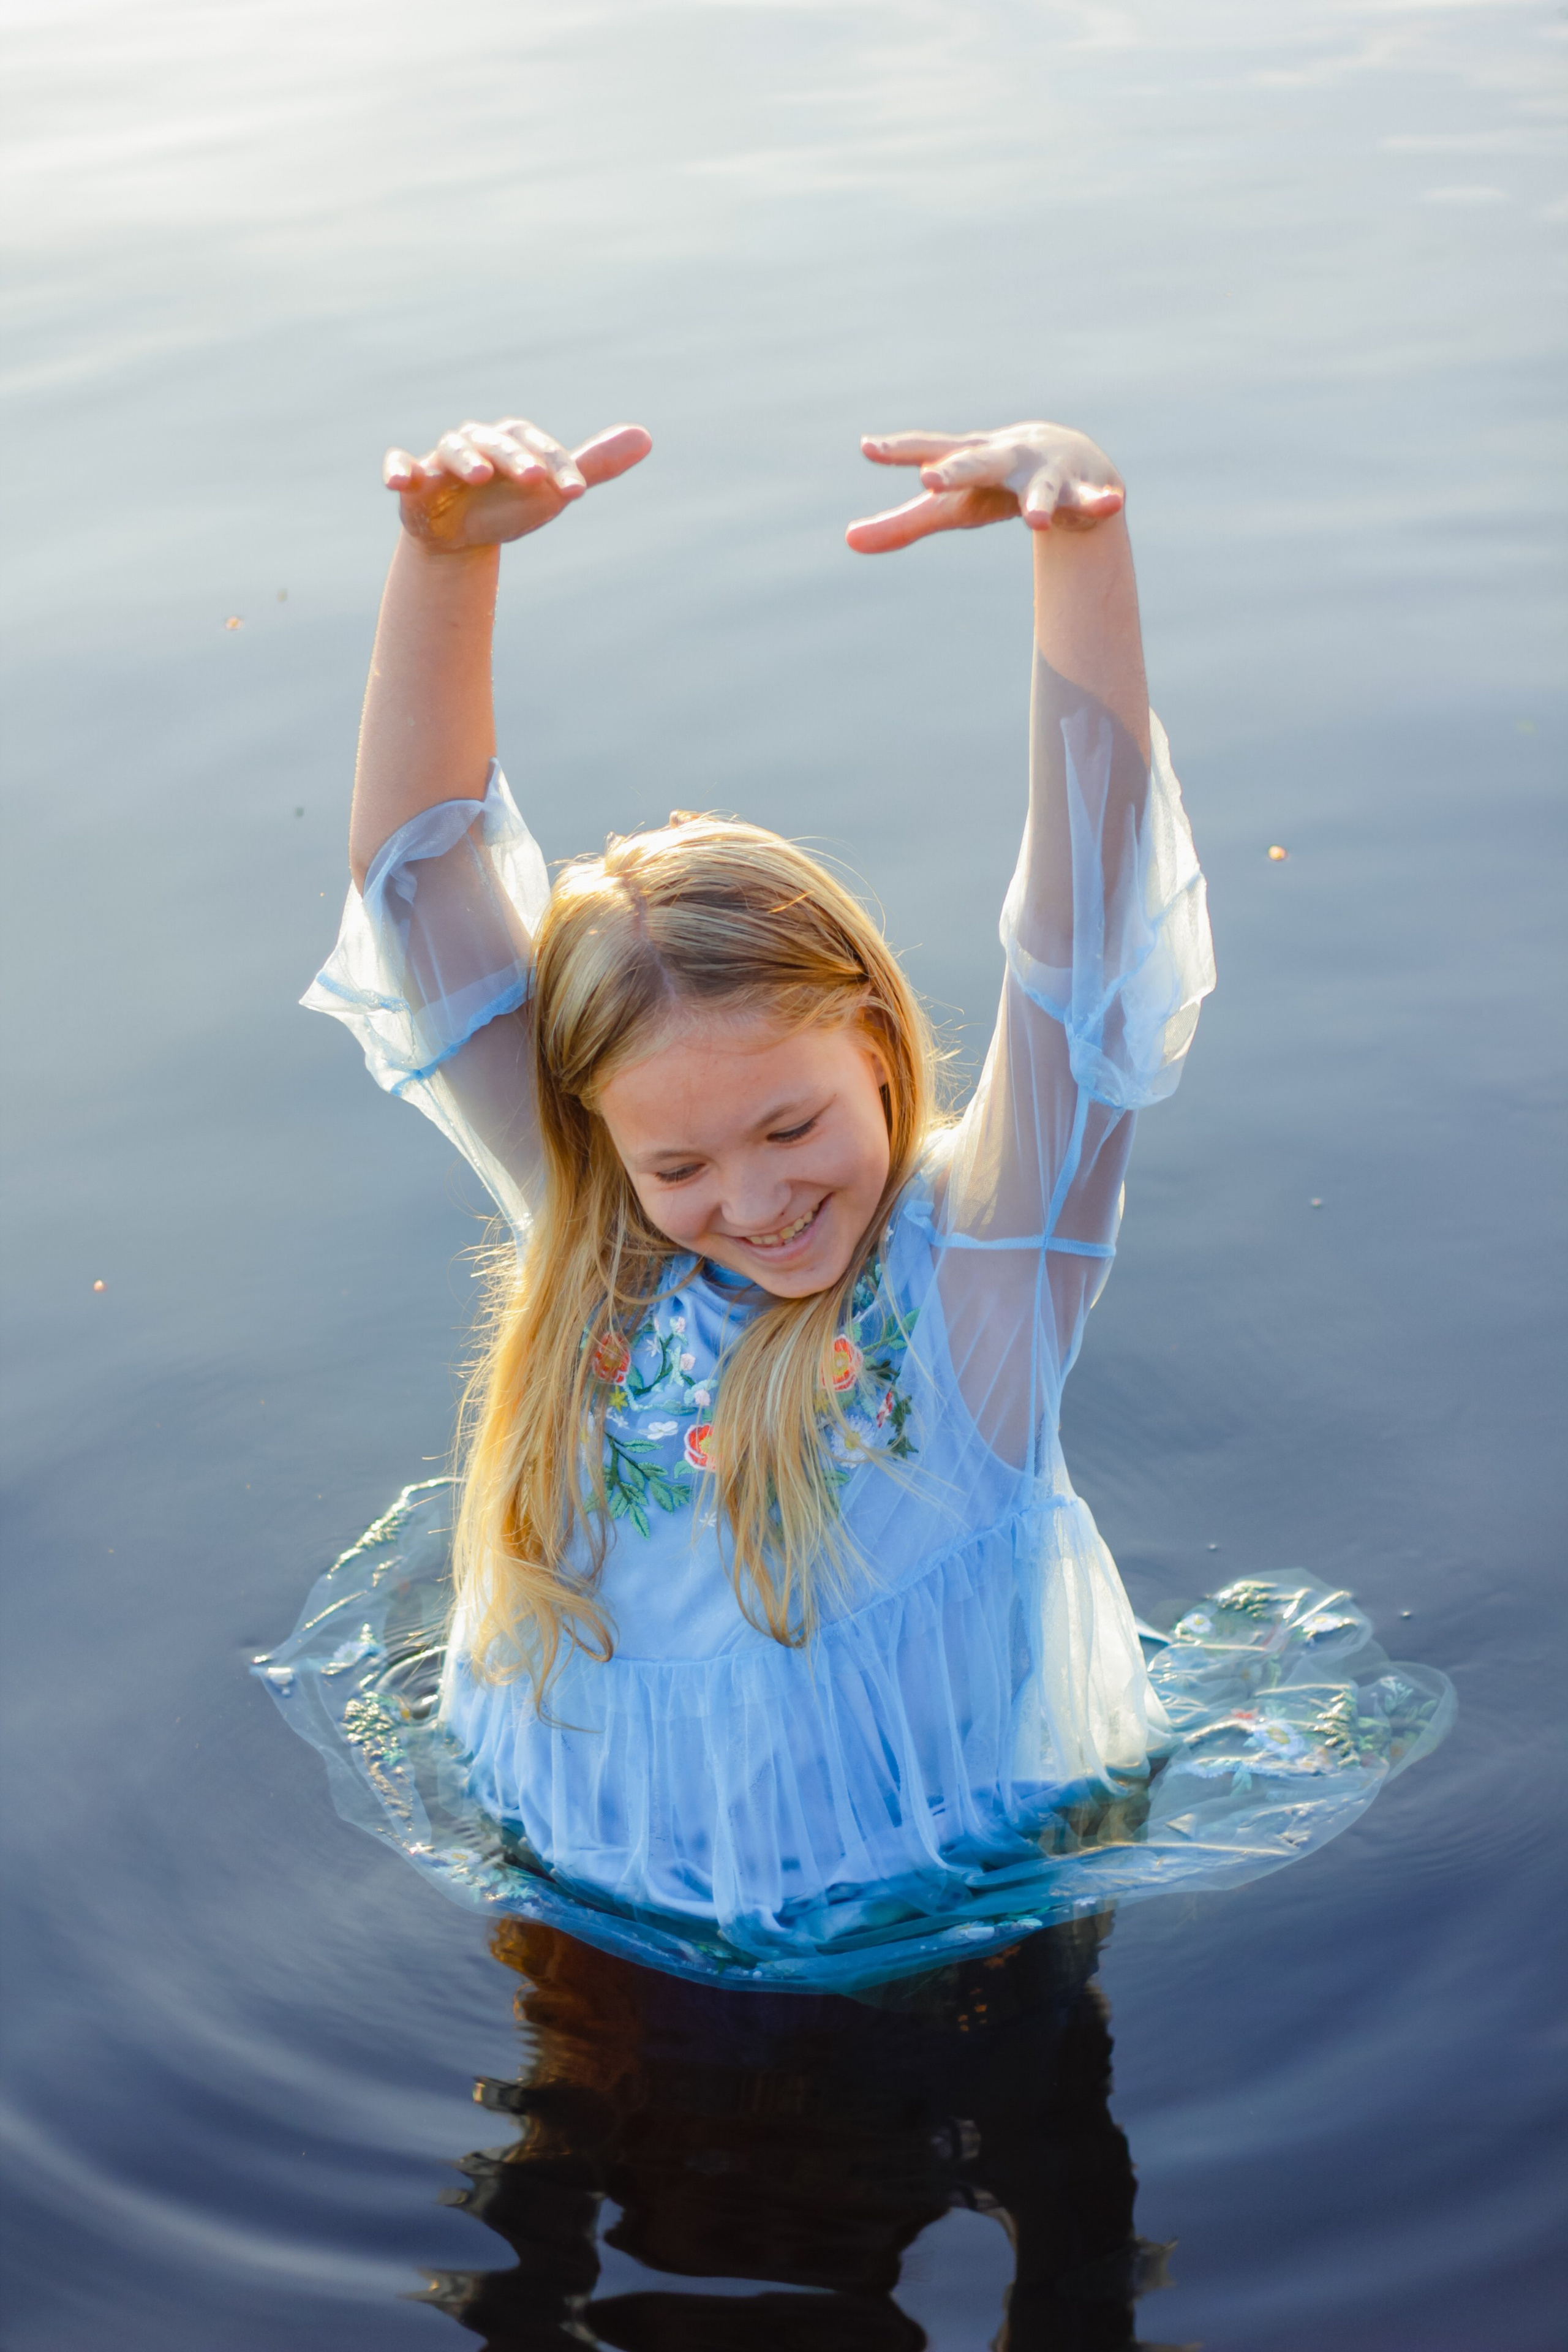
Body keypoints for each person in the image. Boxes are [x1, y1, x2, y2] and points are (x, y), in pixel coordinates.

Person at [268, 409, 1449, 1989]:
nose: (750, 1201)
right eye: (679, 1162)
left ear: (882, 1050)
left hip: (948, 1921)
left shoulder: (981, 1275)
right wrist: (440, 561)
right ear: (605, 1138)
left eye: (791, 1126)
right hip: (598, 1899)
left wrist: (1078, 547)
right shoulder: (601, 1233)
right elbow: (419, 887)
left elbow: (1087, 944)